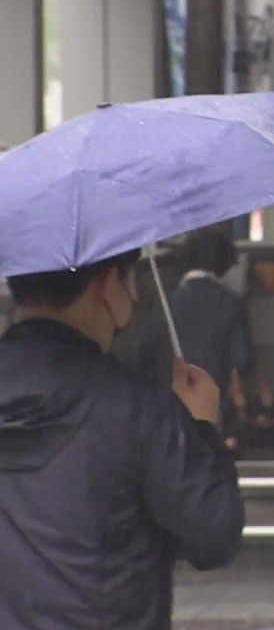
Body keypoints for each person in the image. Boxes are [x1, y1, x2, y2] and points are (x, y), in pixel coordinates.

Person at [0, 250, 245, 628]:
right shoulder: (136, 406)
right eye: (130, 281)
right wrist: (200, 428)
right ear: (108, 282)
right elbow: (213, 534)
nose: (134, 297)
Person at [139, 227, 274, 453]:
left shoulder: (165, 307)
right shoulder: (230, 304)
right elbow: (243, 361)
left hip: (169, 420)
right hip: (216, 421)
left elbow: (144, 358)